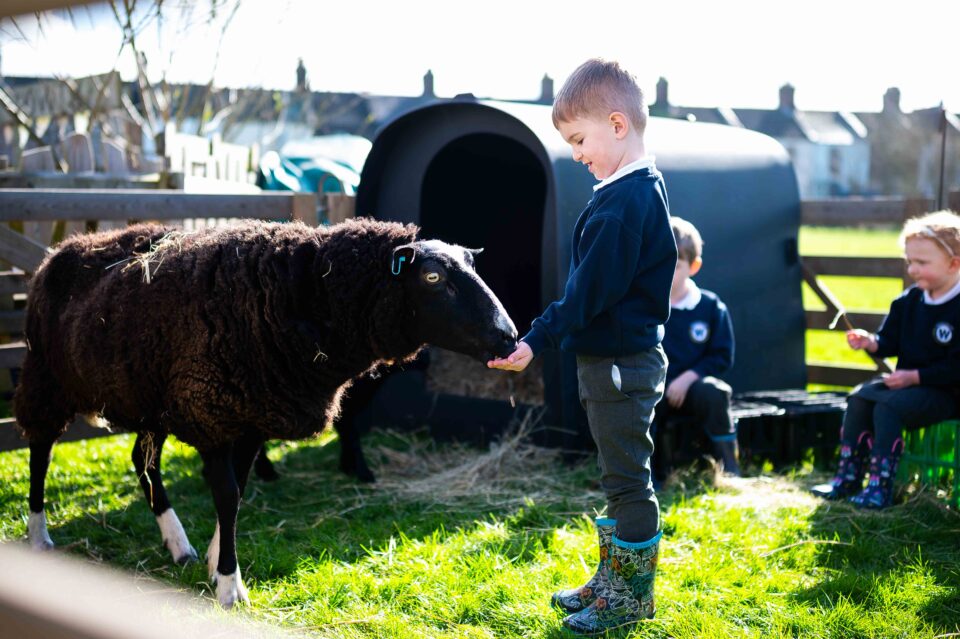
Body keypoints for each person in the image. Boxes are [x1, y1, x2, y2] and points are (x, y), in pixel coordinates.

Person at [488, 58, 676, 633]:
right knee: (616, 474)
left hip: (620, 366)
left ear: (618, 125)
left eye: (579, 139)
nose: (575, 153)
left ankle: (631, 597)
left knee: (627, 480)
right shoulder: (630, 189)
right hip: (613, 362)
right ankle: (613, 577)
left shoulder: (622, 205)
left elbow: (587, 293)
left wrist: (536, 338)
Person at [811, 210, 960, 508]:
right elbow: (889, 342)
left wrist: (915, 377)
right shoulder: (907, 302)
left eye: (922, 262)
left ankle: (880, 486)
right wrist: (871, 341)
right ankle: (848, 477)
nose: (912, 269)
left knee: (887, 407)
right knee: (860, 398)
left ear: (954, 263)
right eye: (909, 261)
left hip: (947, 392)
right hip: (908, 386)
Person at [653, 217, 738, 479]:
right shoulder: (645, 307)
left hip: (691, 390)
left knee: (716, 392)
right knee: (638, 403)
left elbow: (722, 355)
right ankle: (650, 477)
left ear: (694, 266)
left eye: (676, 266)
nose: (667, 272)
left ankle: (728, 469)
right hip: (653, 388)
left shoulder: (710, 307)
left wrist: (688, 379)